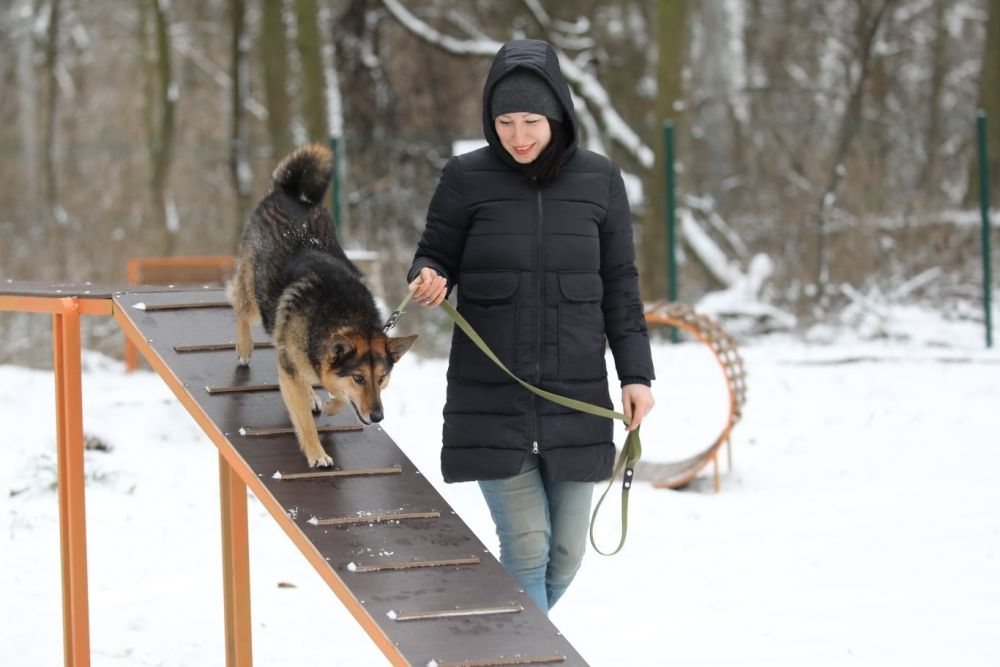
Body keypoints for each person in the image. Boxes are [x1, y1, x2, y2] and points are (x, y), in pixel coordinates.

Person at [406, 39, 654, 615]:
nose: (519, 136)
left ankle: (497, 642)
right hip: (492, 398)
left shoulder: (600, 180)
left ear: (558, 116)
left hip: (575, 397)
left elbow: (621, 284)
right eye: (506, 121)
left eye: (532, 121)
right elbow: (432, 253)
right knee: (526, 548)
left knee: (565, 554)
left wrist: (636, 375)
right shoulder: (466, 177)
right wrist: (429, 276)